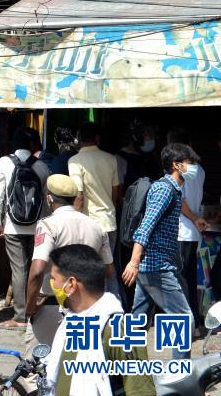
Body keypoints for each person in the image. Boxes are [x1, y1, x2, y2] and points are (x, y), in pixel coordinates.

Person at [44, 244, 155, 396]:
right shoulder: (70, 323)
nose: (51, 284)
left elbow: (141, 391)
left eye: (53, 279)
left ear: (71, 285)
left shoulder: (119, 331)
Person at [121, 143, 197, 359]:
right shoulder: (164, 190)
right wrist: (134, 262)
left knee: (138, 322)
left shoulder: (172, 190)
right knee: (183, 320)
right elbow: (146, 226)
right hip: (156, 267)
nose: (193, 168)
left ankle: (123, 367)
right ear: (176, 165)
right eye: (190, 163)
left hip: (153, 265)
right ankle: (180, 373)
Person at [25, 174, 114, 345]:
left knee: (38, 360)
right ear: (75, 198)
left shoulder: (48, 225)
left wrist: (29, 307)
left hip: (52, 306)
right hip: (87, 307)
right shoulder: (97, 227)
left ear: (49, 198)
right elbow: (109, 271)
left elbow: (37, 271)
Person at [0, 127, 52, 329]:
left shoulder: (4, 162)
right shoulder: (42, 166)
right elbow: (46, 199)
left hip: (13, 226)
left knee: (19, 269)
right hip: (37, 226)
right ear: (33, 144)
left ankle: (20, 316)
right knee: (37, 268)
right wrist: (44, 223)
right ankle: (35, 310)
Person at [168, 129, 208, 321]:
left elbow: (181, 201)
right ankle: (195, 321)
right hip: (191, 233)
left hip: (182, 230)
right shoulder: (199, 169)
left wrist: (194, 218)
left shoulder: (181, 170)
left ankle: (187, 322)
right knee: (189, 278)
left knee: (180, 280)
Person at [68, 122, 121, 249]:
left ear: (78, 139)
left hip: (88, 226)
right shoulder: (111, 159)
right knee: (108, 261)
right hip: (109, 223)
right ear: (97, 138)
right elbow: (115, 194)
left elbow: (79, 196)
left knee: (87, 261)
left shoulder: (75, 161)